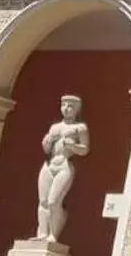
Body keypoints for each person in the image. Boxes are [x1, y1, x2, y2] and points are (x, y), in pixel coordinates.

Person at [34, 95, 91, 242]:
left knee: (54, 201)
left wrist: (72, 145)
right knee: (43, 201)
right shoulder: (55, 127)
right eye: (63, 105)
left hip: (64, 165)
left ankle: (54, 235)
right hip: (49, 164)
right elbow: (47, 149)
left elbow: (84, 150)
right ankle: (42, 233)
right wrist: (47, 141)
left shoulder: (80, 128)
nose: (66, 108)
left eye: (70, 106)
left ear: (77, 109)